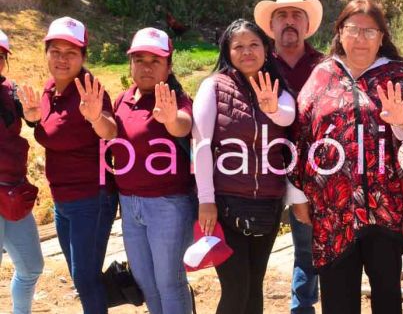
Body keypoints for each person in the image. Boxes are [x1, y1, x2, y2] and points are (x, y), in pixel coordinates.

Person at [288, 0, 403, 314]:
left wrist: (402, 119)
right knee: (337, 299)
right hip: (333, 208)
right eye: (353, 29)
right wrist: (297, 195)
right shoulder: (322, 76)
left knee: (387, 296)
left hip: (386, 207)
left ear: (382, 36)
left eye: (370, 31)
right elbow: (300, 134)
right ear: (340, 32)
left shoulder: (396, 74)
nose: (361, 38)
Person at [192, 19, 296, 314]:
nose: (247, 52)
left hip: (267, 204)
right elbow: (200, 146)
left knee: (254, 285)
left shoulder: (277, 87)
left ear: (266, 49)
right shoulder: (213, 87)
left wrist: (271, 106)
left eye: (254, 45)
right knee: (236, 288)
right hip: (226, 204)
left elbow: (288, 117)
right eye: (238, 46)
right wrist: (206, 201)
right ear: (227, 51)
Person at [18, 17, 118, 314]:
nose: (62, 59)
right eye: (56, 51)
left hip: (93, 197)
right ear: (46, 53)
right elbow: (50, 133)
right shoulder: (50, 90)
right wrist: (33, 118)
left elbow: (111, 131)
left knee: (85, 279)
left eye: (71, 52)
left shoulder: (90, 90)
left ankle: (133, 290)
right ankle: (127, 289)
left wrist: (95, 117)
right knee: (81, 277)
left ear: (83, 57)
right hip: (63, 200)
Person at [106, 27, 195, 314]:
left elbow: (183, 123)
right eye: (139, 59)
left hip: (167, 205)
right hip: (130, 206)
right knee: (145, 281)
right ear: (130, 63)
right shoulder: (122, 100)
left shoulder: (176, 100)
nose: (146, 67)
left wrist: (171, 120)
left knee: (170, 282)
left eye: (155, 60)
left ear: (168, 66)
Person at [254, 0, 324, 314]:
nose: (289, 22)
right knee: (253, 251)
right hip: (260, 172)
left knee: (307, 249)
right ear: (271, 26)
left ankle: (302, 309)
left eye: (296, 15)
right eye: (282, 16)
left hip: (313, 171)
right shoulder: (255, 64)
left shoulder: (325, 66)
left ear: (307, 25)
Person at [0, 29, 44, 314]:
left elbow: (32, 122)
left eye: (0, 56)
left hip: (13, 191)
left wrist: (33, 116)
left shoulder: (11, 91)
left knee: (31, 267)